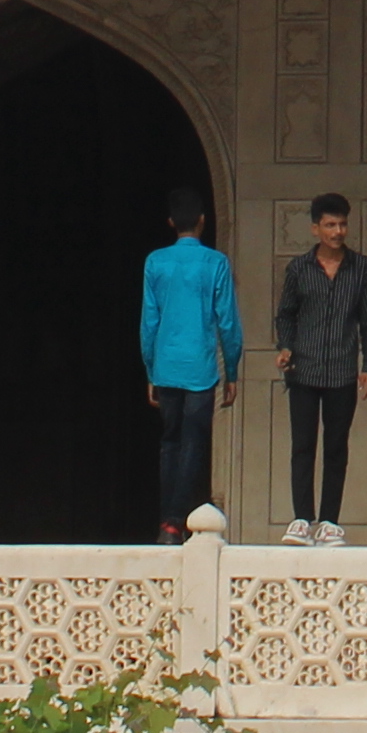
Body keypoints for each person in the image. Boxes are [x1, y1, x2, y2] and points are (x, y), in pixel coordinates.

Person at [275, 193, 367, 546]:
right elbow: (286, 314)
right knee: (303, 445)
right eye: (331, 225)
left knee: (336, 446)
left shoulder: (360, 267)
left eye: (342, 224)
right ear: (315, 228)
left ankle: (330, 521)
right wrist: (285, 346)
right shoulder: (299, 268)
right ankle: (302, 518)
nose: (338, 231)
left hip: (341, 370)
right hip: (304, 369)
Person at [139, 190, 242, 535]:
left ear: (171, 222)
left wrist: (150, 370)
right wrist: (232, 370)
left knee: (170, 442)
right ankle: (176, 519)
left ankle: (168, 518)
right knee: (194, 443)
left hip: (166, 365)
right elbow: (227, 321)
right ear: (202, 221)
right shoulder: (215, 263)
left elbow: (149, 321)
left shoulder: (156, 261)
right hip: (200, 367)